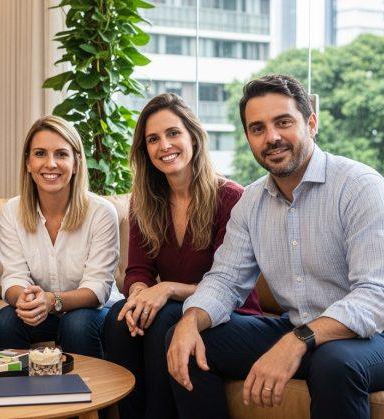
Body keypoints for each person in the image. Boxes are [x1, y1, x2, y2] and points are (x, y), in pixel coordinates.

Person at [166, 74, 384, 419]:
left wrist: (298, 340)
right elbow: (226, 281)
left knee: (334, 362)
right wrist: (191, 320)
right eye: (257, 128)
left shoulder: (360, 187)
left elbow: (378, 296)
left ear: (311, 124)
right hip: (302, 330)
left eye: (283, 122)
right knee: (187, 340)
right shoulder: (251, 203)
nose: (271, 137)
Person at [102, 93, 262, 419]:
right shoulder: (144, 201)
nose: (164, 145)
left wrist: (167, 289)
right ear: (145, 150)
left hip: (230, 312)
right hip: (175, 308)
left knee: (165, 317)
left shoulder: (230, 198)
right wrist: (139, 296)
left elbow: (229, 285)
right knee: (120, 318)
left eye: (173, 133)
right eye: (153, 139)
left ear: (193, 137)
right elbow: (138, 271)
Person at [0, 115, 119, 358]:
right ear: (28, 163)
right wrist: (25, 299)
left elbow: (97, 288)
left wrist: (52, 300)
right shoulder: (12, 211)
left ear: (76, 163)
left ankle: (88, 383)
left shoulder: (101, 212)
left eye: (61, 154)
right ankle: (17, 384)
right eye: (40, 154)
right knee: (5, 321)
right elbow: (13, 277)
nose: (50, 164)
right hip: (43, 311)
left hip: (93, 312)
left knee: (76, 324)